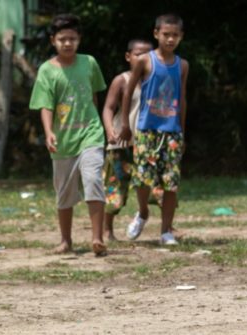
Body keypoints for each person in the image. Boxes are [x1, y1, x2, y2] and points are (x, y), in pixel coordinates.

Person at [29, 13, 108, 256]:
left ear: (79, 39)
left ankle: (98, 239)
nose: (67, 43)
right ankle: (66, 241)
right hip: (62, 141)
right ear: (53, 40)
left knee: (93, 180)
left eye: (72, 38)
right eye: (62, 39)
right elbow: (45, 104)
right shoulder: (47, 71)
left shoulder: (89, 63)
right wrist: (49, 131)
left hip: (91, 134)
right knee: (64, 192)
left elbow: (94, 96)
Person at [119, 13, 189, 245]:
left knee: (171, 182)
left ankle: (166, 230)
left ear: (181, 37)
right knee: (143, 180)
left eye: (175, 35)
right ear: (156, 33)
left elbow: (183, 99)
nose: (170, 39)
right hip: (147, 129)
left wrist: (182, 131)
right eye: (166, 34)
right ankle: (143, 212)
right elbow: (129, 92)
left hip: (172, 132)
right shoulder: (145, 61)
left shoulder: (182, 66)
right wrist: (125, 125)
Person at [101, 39, 153, 241]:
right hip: (120, 143)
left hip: (148, 142)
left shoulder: (155, 80)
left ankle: (158, 221)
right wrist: (109, 131)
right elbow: (108, 108)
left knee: (157, 186)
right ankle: (107, 229)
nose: (143, 58)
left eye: (148, 54)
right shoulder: (121, 80)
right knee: (115, 186)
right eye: (138, 54)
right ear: (128, 56)